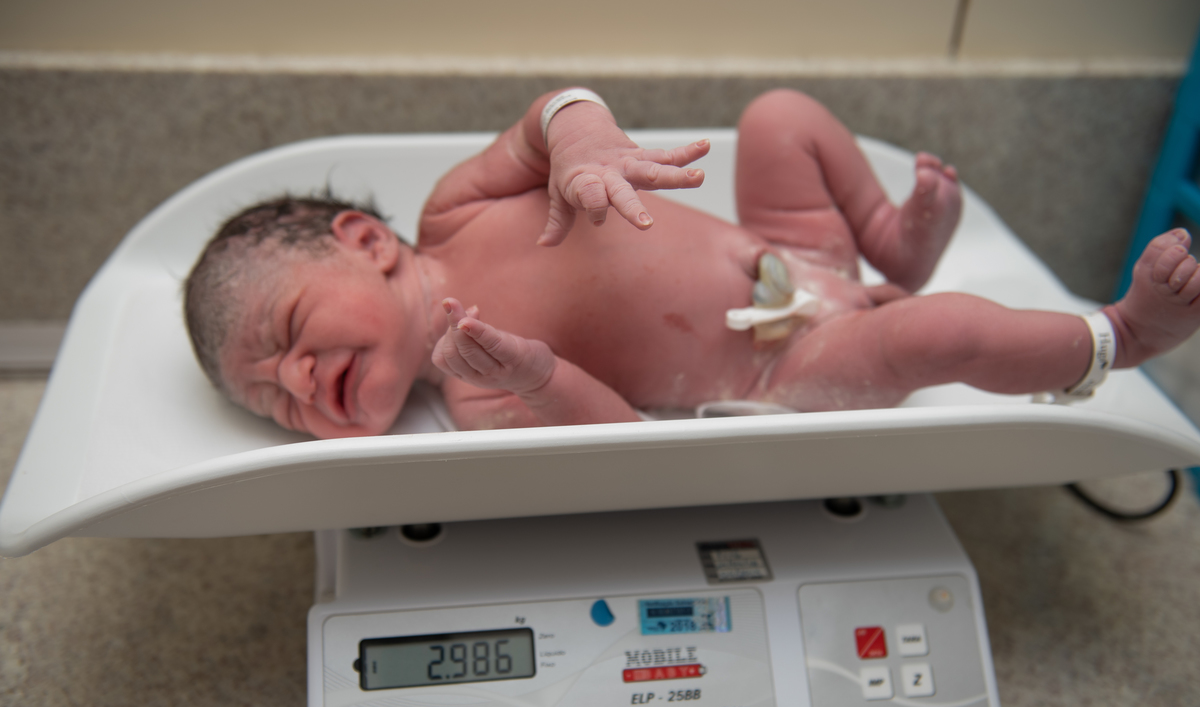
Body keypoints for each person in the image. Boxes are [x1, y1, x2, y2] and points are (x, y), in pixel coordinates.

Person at [184, 88, 1200, 439]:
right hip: (783, 366)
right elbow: (617, 433)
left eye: (286, 336)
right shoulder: (477, 390)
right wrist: (537, 374)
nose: (298, 382)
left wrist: (581, 143)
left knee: (780, 118)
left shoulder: (456, 206)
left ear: (366, 243)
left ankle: (887, 242)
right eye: (274, 403)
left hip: (794, 251)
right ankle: (1121, 334)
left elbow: (553, 112)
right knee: (944, 331)